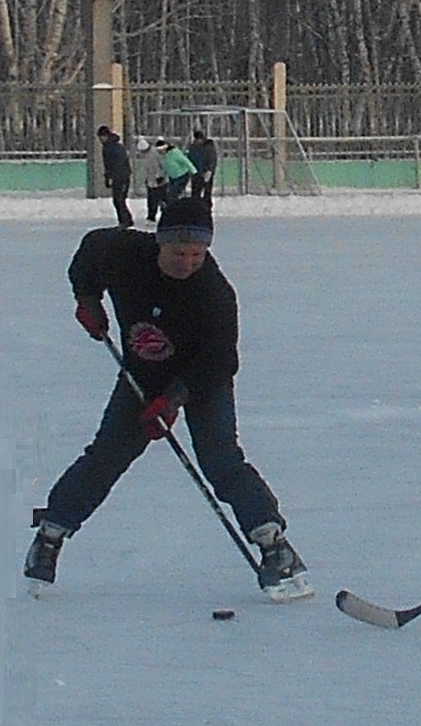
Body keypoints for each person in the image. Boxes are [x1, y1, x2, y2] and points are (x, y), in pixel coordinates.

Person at [22, 198, 313, 603]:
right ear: (160, 242)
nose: (188, 261)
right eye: (179, 251)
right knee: (107, 455)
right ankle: (51, 534)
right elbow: (88, 252)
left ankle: (272, 543)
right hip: (142, 377)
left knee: (220, 459)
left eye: (198, 253)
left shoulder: (214, 294)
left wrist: (174, 399)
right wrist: (87, 298)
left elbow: (221, 360)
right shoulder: (122, 253)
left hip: (201, 381)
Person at [96, 125, 134, 229]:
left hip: (121, 177)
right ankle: (125, 220)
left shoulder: (115, 148)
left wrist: (113, 178)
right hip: (119, 177)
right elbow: (108, 165)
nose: (100, 139)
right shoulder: (108, 147)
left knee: (119, 200)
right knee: (118, 200)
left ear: (107, 136)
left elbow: (117, 164)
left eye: (102, 137)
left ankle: (126, 221)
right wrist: (108, 177)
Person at [135, 137, 168, 224]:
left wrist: (161, 176)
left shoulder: (156, 153)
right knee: (152, 200)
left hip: (160, 180)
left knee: (162, 199)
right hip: (152, 180)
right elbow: (148, 168)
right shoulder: (147, 155)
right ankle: (151, 216)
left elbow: (162, 165)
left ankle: (165, 216)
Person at [155, 139, 197, 204]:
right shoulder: (162, 157)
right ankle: (173, 206)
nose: (159, 152)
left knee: (173, 193)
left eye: (160, 150)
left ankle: (173, 208)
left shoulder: (175, 153)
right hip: (172, 177)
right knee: (170, 194)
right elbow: (165, 168)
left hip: (182, 175)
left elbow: (186, 161)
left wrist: (194, 172)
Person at [188, 130, 219, 208]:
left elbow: (212, 160)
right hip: (196, 173)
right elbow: (190, 159)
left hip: (205, 173)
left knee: (207, 192)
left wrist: (210, 170)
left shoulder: (208, 147)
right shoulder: (193, 147)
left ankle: (206, 208)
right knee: (195, 193)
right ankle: (195, 208)